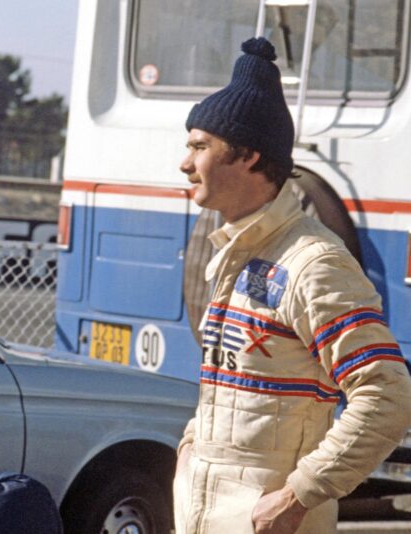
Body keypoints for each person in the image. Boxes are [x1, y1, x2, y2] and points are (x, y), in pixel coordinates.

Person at [173, 37, 411, 534]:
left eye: (199, 147)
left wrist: (298, 496)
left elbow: (388, 396)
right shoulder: (237, 253)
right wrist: (191, 448)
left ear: (248, 156)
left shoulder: (314, 263)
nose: (185, 163)